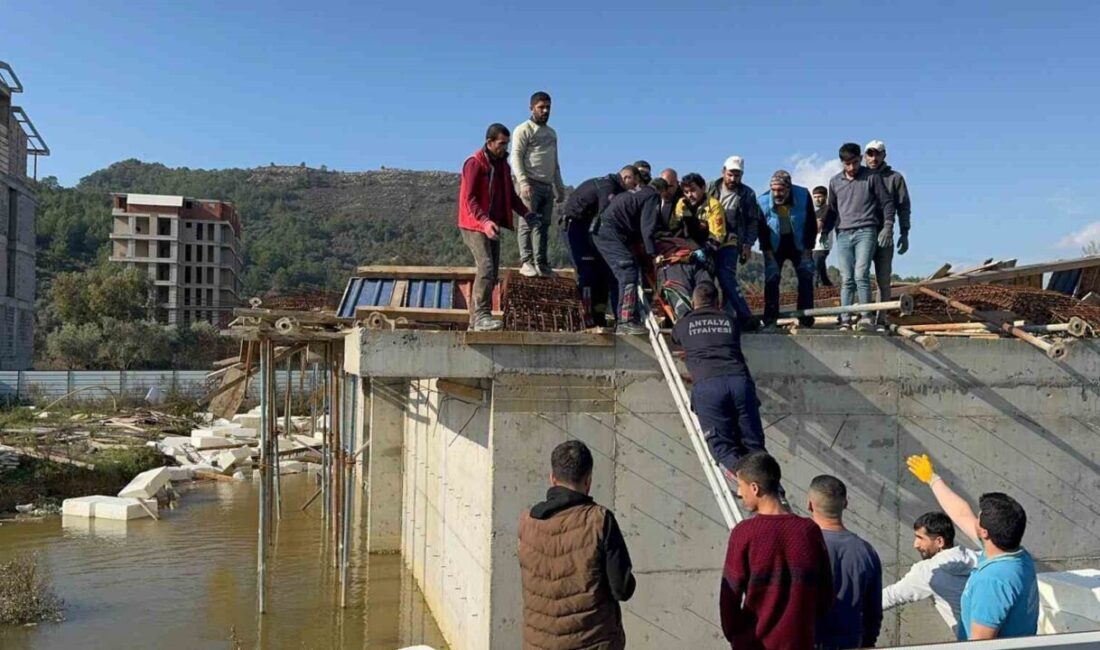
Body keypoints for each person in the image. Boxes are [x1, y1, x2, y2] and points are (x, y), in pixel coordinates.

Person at [518, 440, 636, 650]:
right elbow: (623, 589)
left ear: (552, 478)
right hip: (593, 643)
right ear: (588, 481)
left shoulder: (527, 522)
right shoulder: (600, 521)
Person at [907, 454, 1039, 640]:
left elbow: (979, 644)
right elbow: (961, 513)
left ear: (985, 533)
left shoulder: (992, 581)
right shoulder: (1014, 553)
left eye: (979, 517)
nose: (974, 519)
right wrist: (932, 479)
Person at [720, 452, 834, 650]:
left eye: (740, 486)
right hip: (800, 642)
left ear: (754, 488)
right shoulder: (809, 530)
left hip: (755, 643)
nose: (739, 493)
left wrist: (736, 637)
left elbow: (729, 597)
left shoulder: (744, 533)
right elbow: (825, 591)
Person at [672, 282, 765, 474]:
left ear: (693, 302)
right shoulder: (730, 320)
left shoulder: (684, 323)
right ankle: (775, 494)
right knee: (755, 447)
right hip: (740, 382)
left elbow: (676, 338)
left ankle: (747, 484)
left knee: (723, 450)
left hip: (708, 385)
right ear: (718, 302)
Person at [457, 123, 533, 331]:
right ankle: (482, 315)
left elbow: (510, 196)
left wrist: (527, 214)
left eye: (507, 144)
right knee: (486, 266)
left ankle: (476, 322)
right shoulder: (474, 163)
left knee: (492, 270)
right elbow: (469, 199)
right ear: (489, 142)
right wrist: (484, 221)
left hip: (492, 224)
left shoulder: (503, 166)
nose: (504, 148)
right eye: (501, 143)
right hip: (474, 224)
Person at [825, 143, 896, 331]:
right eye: (847, 164)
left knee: (861, 274)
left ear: (860, 159)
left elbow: (887, 202)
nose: (852, 168)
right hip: (843, 233)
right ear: (841, 163)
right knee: (847, 277)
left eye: (855, 163)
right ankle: (845, 318)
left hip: (866, 230)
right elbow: (832, 209)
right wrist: (825, 232)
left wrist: (888, 225)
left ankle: (866, 317)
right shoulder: (834, 182)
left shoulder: (872, 177)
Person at [808, 475, 883, 650]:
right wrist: (868, 642)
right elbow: (873, 612)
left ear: (810, 504)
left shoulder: (802, 546)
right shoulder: (866, 551)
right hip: (851, 643)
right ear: (846, 503)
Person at [558, 168, 636, 327]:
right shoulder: (608, 187)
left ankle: (598, 314)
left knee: (601, 273)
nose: (633, 189)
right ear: (626, 177)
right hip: (575, 227)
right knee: (587, 273)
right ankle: (586, 318)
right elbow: (605, 217)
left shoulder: (609, 184)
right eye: (633, 184)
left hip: (587, 228)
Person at [883, 512, 979, 636]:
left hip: (974, 642)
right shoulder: (979, 557)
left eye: (920, 538)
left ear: (939, 541)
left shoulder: (928, 571)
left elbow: (890, 596)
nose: (915, 544)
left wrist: (852, 606)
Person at [592, 179, 664, 335]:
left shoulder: (635, 193)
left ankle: (630, 317)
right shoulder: (652, 196)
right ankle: (626, 320)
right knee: (628, 271)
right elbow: (647, 229)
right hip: (610, 232)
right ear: (662, 191)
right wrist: (653, 255)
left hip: (602, 230)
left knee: (624, 270)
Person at [512, 91, 566, 277]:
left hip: (546, 185)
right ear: (531, 108)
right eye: (541, 107)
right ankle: (526, 261)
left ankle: (541, 263)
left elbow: (555, 161)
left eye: (548, 107)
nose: (545, 111)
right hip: (530, 183)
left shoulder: (552, 133)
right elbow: (516, 156)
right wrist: (523, 182)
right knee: (528, 223)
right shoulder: (523, 129)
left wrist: (559, 187)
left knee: (543, 226)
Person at [757, 170, 817, 329]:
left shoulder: (803, 195)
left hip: (799, 243)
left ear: (789, 188)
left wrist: (808, 249)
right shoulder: (761, 202)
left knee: (805, 277)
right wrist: (768, 254)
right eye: (774, 190)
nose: (777, 194)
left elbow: (811, 223)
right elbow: (762, 232)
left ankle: (805, 319)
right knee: (772, 278)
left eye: (781, 190)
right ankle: (770, 320)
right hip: (775, 245)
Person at [706, 156, 760, 328]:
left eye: (737, 175)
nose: (733, 179)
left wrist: (747, 245)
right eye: (730, 174)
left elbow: (752, 221)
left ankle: (734, 317)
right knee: (707, 278)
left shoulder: (747, 194)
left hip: (731, 241)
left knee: (726, 277)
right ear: (723, 172)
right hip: (709, 240)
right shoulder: (710, 188)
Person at [865, 140, 912, 327]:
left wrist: (904, 232)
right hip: (862, 234)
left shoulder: (895, 178)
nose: (873, 158)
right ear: (865, 156)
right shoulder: (860, 177)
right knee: (859, 276)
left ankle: (881, 319)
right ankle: (864, 317)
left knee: (883, 279)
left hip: (885, 233)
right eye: (870, 154)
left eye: (877, 154)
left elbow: (904, 206)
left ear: (884, 155)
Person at [812, 186, 836, 287]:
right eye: (815, 197)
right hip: (816, 246)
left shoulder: (827, 209)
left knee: (814, 272)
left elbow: (817, 227)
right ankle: (830, 290)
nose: (817, 199)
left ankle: (811, 296)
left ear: (825, 197)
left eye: (819, 196)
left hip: (822, 245)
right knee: (822, 274)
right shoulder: (816, 212)